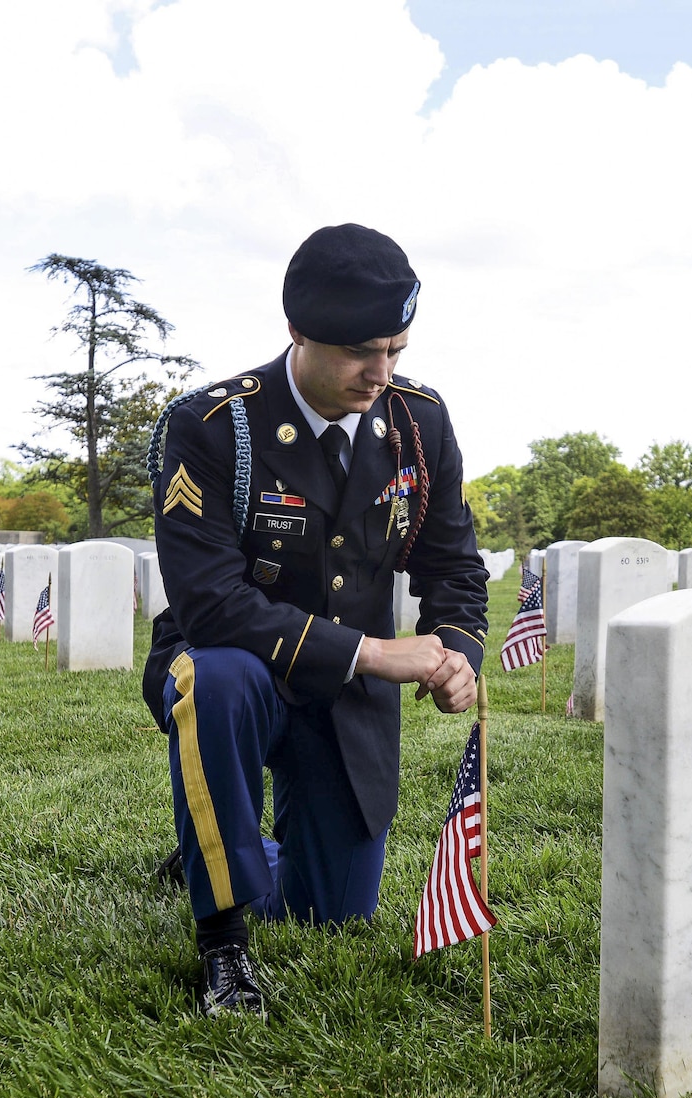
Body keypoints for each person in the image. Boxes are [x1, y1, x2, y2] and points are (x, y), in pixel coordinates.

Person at [144, 224, 487, 1016]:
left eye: (397, 349)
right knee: (217, 680)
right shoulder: (212, 426)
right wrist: (375, 653)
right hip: (237, 665)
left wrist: (457, 649)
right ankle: (223, 946)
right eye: (362, 351)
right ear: (298, 332)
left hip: (345, 699)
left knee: (330, 911)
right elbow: (211, 605)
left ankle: (218, 846)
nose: (382, 371)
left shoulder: (419, 425)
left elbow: (454, 569)